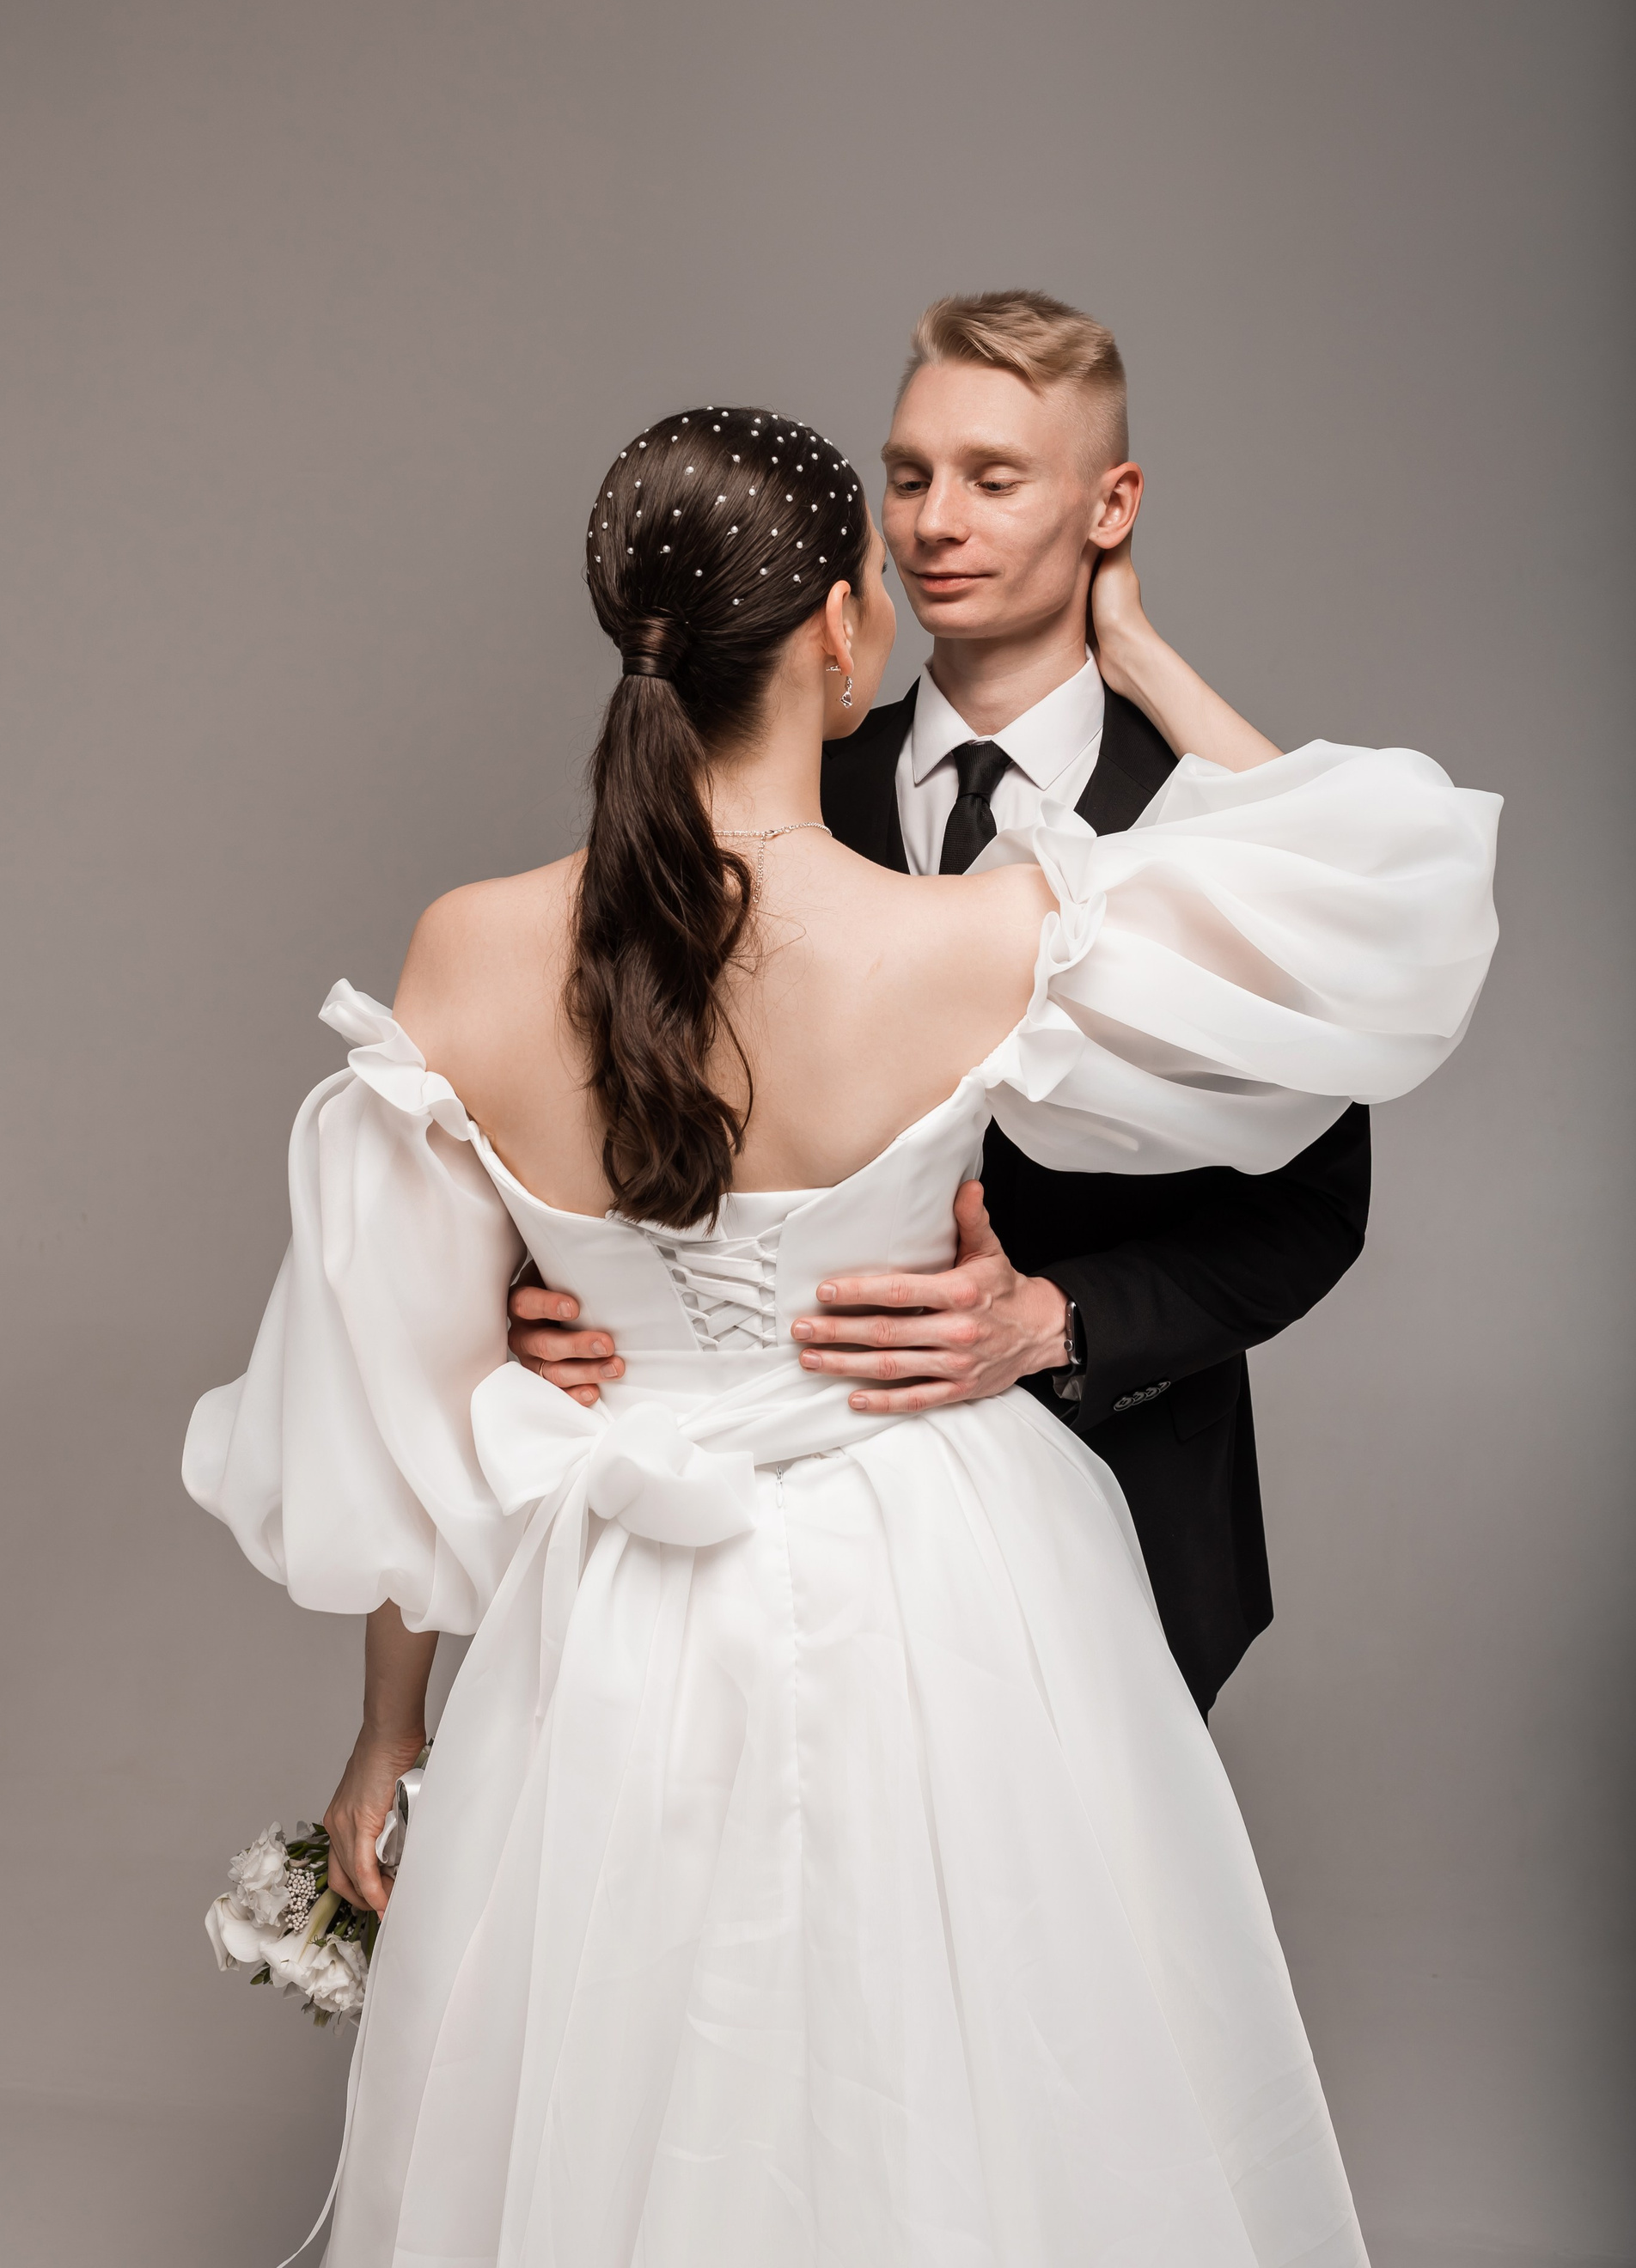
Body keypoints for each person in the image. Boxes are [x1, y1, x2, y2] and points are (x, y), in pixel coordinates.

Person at [186, 396, 1499, 2263]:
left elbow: (399, 1404)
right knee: (976, 2105)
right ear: (839, 630)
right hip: (945, 1581)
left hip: (613, 1611)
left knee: (621, 2098)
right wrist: (1133, 644)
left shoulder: (466, 952)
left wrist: (390, 1734)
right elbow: (1373, 910)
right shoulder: (970, 941)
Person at [510, 294, 1373, 1714]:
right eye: (907, 476)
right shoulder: (767, 791)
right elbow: (612, 1071)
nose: (932, 523)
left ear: (1112, 507)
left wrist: (1054, 1321)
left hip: (1130, 1503)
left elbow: (1313, 1207)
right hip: (767, 1542)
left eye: (994, 478)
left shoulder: (1203, 820)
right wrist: (555, 1302)